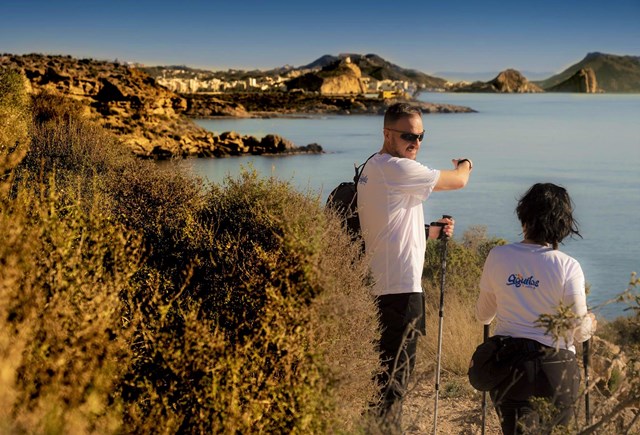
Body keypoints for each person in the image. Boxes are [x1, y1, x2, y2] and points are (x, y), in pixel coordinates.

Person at [357, 102, 473, 427]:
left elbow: (390, 222)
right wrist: (465, 163)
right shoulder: (397, 168)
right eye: (408, 135)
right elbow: (459, 180)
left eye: (422, 136)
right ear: (386, 133)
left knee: (384, 382)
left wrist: (431, 232)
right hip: (400, 294)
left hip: (384, 288)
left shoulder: (373, 166)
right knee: (394, 385)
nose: (416, 143)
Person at [475, 183, 597, 434]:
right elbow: (579, 331)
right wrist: (591, 323)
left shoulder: (498, 256)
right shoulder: (568, 266)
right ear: (562, 224)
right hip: (556, 369)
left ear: (524, 216)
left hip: (510, 367)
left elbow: (483, 315)